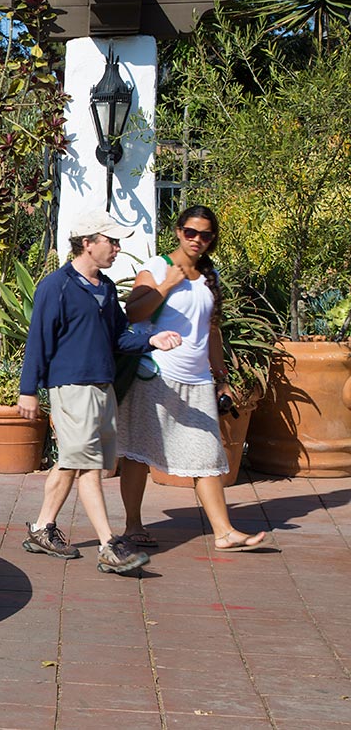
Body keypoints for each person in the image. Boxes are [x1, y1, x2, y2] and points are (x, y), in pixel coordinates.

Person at [19, 208, 183, 574]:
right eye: (112, 241)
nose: (118, 249)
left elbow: (119, 337)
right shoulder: (56, 287)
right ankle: (110, 546)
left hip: (103, 387)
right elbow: (38, 341)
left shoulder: (106, 289)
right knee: (89, 466)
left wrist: (151, 340)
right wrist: (27, 390)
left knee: (74, 460)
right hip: (71, 387)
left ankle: (42, 529)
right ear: (88, 243)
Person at [117, 205, 271, 553]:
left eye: (205, 235)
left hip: (198, 381)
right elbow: (134, 312)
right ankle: (133, 525)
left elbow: (212, 331)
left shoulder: (208, 276)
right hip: (156, 377)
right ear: (178, 231)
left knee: (207, 455)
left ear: (211, 239)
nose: (197, 239)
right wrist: (167, 285)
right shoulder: (157, 267)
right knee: (139, 453)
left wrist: (222, 377)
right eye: (190, 232)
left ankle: (224, 532)